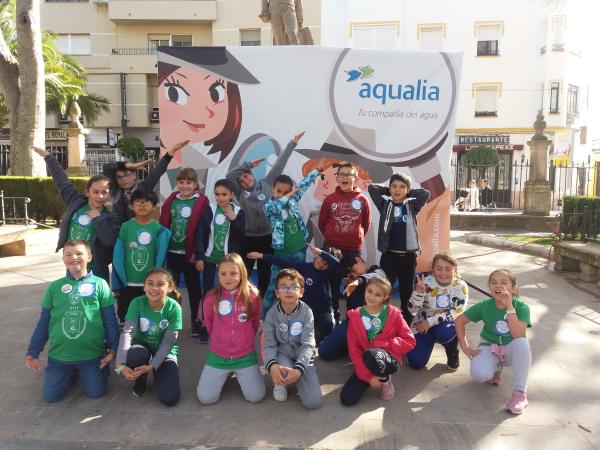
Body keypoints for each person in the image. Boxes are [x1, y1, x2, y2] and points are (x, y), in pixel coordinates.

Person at [26, 240, 119, 402]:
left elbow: (110, 320)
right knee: (51, 397)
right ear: (63, 259)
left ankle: (96, 371)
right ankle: (69, 372)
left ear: (89, 257)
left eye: (79, 253)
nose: (73, 257)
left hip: (92, 354)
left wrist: (113, 349)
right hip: (60, 356)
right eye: (68, 254)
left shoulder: (100, 284)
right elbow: (44, 322)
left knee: (96, 392)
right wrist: (33, 352)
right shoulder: (54, 287)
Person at [226, 131, 305, 298]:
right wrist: (246, 165)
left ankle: (261, 304)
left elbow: (281, 162)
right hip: (248, 238)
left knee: (265, 273)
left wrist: (293, 142)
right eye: (241, 180)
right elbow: (229, 176)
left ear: (252, 175)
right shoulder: (239, 192)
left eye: (246, 177)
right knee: (245, 272)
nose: (245, 181)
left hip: (268, 237)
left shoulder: (268, 182)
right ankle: (244, 300)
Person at [157, 46, 259, 167]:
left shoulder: (205, 168)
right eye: (175, 93)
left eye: (216, 94)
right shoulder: (193, 165)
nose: (202, 111)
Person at [32, 146, 119, 284]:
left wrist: (98, 218)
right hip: (72, 266)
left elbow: (109, 241)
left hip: (96, 270)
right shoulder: (75, 201)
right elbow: (61, 180)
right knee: (73, 302)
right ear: (87, 192)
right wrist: (49, 158)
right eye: (96, 192)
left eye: (104, 192)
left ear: (110, 194)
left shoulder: (110, 216)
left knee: (96, 305)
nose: (100, 196)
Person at [454, 269, 532, 415]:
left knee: (522, 343)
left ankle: (520, 394)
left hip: (511, 349)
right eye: (493, 282)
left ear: (513, 288)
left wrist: (509, 307)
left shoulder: (521, 307)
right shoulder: (484, 305)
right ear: (489, 287)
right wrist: (465, 347)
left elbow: (517, 334)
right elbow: (459, 321)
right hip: (490, 346)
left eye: (504, 283)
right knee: (479, 375)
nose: (498, 286)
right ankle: (496, 368)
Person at [196, 253, 265, 405]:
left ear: (242, 273)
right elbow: (209, 323)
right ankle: (224, 373)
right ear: (218, 275)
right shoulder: (210, 298)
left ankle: (239, 372)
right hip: (218, 356)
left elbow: (254, 322)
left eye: (233, 273)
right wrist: (219, 341)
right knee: (206, 398)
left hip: (245, 356)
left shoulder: (252, 296)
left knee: (256, 396)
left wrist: (244, 340)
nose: (228, 278)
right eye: (223, 273)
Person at [260, 160, 323, 318]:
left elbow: (303, 185)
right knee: (271, 288)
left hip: (299, 250)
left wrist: (315, 171)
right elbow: (275, 207)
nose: (282, 195)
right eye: (278, 191)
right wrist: (287, 196)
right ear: (273, 189)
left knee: (298, 285)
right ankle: (261, 318)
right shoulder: (269, 206)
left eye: (286, 192)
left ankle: (299, 315)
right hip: (281, 254)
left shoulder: (293, 201)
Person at [340, 276, 415, 406]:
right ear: (365, 290)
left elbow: (410, 341)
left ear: (385, 297)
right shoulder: (355, 316)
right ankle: (375, 375)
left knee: (372, 354)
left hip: (389, 358)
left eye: (378, 294)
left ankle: (385, 380)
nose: (372, 297)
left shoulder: (394, 314)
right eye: (369, 291)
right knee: (347, 399)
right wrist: (368, 377)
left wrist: (385, 343)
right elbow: (354, 350)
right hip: (367, 359)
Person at [247, 243, 341, 343]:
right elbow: (282, 262)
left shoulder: (327, 273)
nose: (321, 264)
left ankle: (320, 336)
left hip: (323, 311)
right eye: (321, 259)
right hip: (304, 311)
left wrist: (321, 253)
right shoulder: (304, 267)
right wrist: (261, 255)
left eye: (326, 263)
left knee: (327, 326)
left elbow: (337, 264)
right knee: (292, 335)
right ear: (316, 256)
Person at [114, 268, 183, 406]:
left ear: (169, 288)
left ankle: (156, 371)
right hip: (142, 349)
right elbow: (128, 332)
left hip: (164, 352)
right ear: (144, 287)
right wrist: (120, 363)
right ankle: (140, 379)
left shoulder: (174, 308)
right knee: (135, 354)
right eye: (150, 283)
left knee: (170, 399)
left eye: (160, 284)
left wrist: (152, 366)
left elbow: (168, 342)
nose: (154, 288)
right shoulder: (137, 303)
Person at [368, 173, 430, 323]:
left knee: (406, 294)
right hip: (389, 257)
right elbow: (372, 188)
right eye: (394, 186)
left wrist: (408, 192)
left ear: (407, 190)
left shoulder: (412, 206)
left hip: (408, 258)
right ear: (390, 188)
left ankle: (406, 325)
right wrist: (388, 191)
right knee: (384, 291)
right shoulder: (384, 205)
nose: (397, 189)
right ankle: (382, 322)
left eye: (402, 187)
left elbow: (425, 193)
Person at [159, 167, 209, 337]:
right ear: (177, 184)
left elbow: (203, 230)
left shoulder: (201, 201)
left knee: (194, 289)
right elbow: (163, 223)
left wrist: (198, 252)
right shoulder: (172, 199)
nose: (185, 186)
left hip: (191, 254)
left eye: (189, 182)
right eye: (181, 182)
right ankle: (172, 321)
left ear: (195, 185)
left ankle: (196, 321)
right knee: (171, 289)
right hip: (172, 252)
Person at [318, 161, 371, 322]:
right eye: (342, 174)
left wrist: (356, 238)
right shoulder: (329, 200)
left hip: (353, 250)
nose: (345, 177)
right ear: (337, 178)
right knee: (331, 285)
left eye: (349, 174)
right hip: (331, 249)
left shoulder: (362, 200)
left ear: (355, 179)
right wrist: (332, 237)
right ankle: (332, 317)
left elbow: (366, 224)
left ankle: (352, 319)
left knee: (353, 285)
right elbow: (322, 223)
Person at [262, 268, 322, 409]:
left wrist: (299, 370)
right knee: (279, 365)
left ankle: (298, 376)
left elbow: (308, 344)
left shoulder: (307, 312)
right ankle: (280, 382)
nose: (288, 290)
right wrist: (272, 366)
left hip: (302, 354)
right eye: (283, 287)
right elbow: (269, 344)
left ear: (301, 292)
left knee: (313, 403)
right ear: (277, 293)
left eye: (294, 287)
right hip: (283, 354)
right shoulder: (271, 314)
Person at [112, 189, 171, 322]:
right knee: (126, 315)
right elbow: (117, 255)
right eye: (138, 202)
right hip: (128, 282)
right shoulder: (125, 227)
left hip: (150, 283)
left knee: (148, 316)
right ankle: (126, 340)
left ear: (154, 206)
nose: (142, 205)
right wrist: (117, 284)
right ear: (132, 206)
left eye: (147, 202)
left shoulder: (159, 229)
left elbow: (161, 258)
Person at [195, 179, 246, 326]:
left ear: (231, 195)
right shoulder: (209, 209)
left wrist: (233, 218)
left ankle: (228, 322)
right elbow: (201, 234)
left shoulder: (238, 212)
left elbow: (241, 236)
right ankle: (206, 324)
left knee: (230, 291)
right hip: (210, 259)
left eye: (224, 194)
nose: (220, 198)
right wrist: (199, 257)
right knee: (208, 292)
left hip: (229, 262)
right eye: (217, 194)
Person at [406, 253, 468, 371]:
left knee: (445, 331)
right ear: (433, 269)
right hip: (422, 325)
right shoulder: (425, 283)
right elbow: (411, 310)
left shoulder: (461, 286)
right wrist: (419, 293)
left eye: (448, 269)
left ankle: (452, 353)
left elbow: (458, 312)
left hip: (444, 325)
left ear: (455, 269)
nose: (443, 273)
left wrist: (430, 321)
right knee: (416, 362)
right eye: (439, 269)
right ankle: (427, 341)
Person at [102, 140, 189, 224]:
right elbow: (106, 168)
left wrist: (172, 151)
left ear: (135, 175)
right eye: (119, 177)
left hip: (138, 230)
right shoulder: (115, 189)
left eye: (126, 175)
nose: (123, 179)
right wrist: (126, 165)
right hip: (119, 231)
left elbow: (158, 171)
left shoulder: (142, 187)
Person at [318, 254, 386, 361]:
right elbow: (350, 308)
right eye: (351, 273)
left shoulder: (377, 271)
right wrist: (350, 286)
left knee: (370, 359)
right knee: (324, 352)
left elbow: (375, 277)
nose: (354, 274)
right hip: (351, 323)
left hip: (372, 326)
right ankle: (349, 344)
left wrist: (357, 282)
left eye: (354, 270)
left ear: (358, 259)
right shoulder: (352, 280)